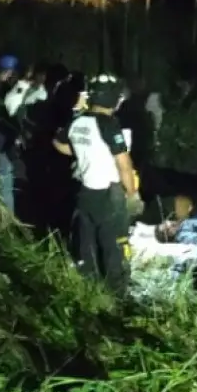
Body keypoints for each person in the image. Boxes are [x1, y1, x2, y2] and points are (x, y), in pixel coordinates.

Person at [53, 74, 141, 296]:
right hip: (109, 194)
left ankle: (90, 290)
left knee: (87, 243)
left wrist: (83, 155)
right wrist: (132, 194)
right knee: (117, 246)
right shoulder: (109, 124)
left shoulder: (77, 120)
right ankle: (117, 295)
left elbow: (59, 143)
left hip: (85, 192)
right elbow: (123, 163)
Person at [0, 54, 22, 213]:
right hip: (2, 143)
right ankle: (6, 221)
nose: (11, 76)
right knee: (4, 183)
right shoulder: (4, 92)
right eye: (9, 72)